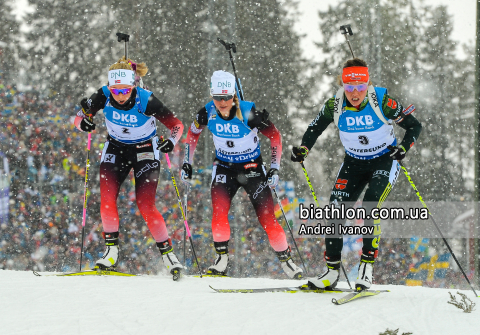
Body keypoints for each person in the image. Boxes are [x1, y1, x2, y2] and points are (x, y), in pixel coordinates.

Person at [291, 58, 422, 291]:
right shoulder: (334, 105)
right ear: (342, 85)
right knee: (335, 210)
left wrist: (403, 148)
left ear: (367, 84)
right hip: (353, 163)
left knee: (370, 204)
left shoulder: (382, 101)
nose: (354, 92)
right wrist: (304, 149)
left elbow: (414, 126)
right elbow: (314, 128)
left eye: (360, 87)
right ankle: (331, 273)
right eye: (349, 87)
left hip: (384, 160)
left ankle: (366, 268)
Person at [181, 70, 303, 279]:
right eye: (218, 97)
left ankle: (287, 261)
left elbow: (275, 136)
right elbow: (192, 134)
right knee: (219, 212)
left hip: (252, 168)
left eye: (227, 97)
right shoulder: (206, 112)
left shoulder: (248, 113)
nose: (222, 102)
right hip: (224, 168)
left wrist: (274, 167)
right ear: (212, 96)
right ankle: (221, 260)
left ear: (234, 95)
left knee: (267, 219)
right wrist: (186, 162)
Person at [73, 57, 184, 278]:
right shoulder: (103, 94)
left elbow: (177, 125)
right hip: (116, 148)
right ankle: (111, 252)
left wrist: (170, 142)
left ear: (133, 86)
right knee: (107, 198)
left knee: (145, 205)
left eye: (125, 91)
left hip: (145, 150)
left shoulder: (146, 99)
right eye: (116, 91)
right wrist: (82, 123)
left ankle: (168, 254)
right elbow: (78, 118)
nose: (120, 96)